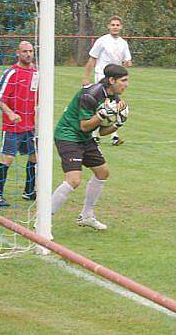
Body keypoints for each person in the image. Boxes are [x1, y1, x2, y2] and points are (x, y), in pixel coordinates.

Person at [51, 64, 129, 230]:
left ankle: (86, 215)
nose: (126, 84)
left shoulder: (114, 99)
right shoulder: (90, 95)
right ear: (111, 80)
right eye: (123, 80)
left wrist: (118, 123)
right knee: (73, 180)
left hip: (86, 138)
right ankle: (43, 219)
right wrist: (102, 113)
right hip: (68, 135)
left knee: (102, 172)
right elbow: (85, 126)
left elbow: (101, 131)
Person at [0, 41, 38, 206]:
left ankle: (29, 192)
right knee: (7, 159)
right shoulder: (11, 73)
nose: (28, 54)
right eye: (24, 51)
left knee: (35, 157)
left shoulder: (37, 73)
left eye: (30, 51)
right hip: (13, 126)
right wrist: (10, 113)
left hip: (31, 126)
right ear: (17, 53)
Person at [83, 15, 132, 146]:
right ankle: (97, 135)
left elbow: (126, 61)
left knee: (113, 105)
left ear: (121, 27)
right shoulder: (102, 41)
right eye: (113, 25)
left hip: (116, 79)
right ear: (108, 26)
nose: (115, 27)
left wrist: (127, 63)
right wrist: (86, 77)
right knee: (103, 104)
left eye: (117, 25)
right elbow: (92, 59)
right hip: (102, 76)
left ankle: (110, 136)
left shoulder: (123, 43)